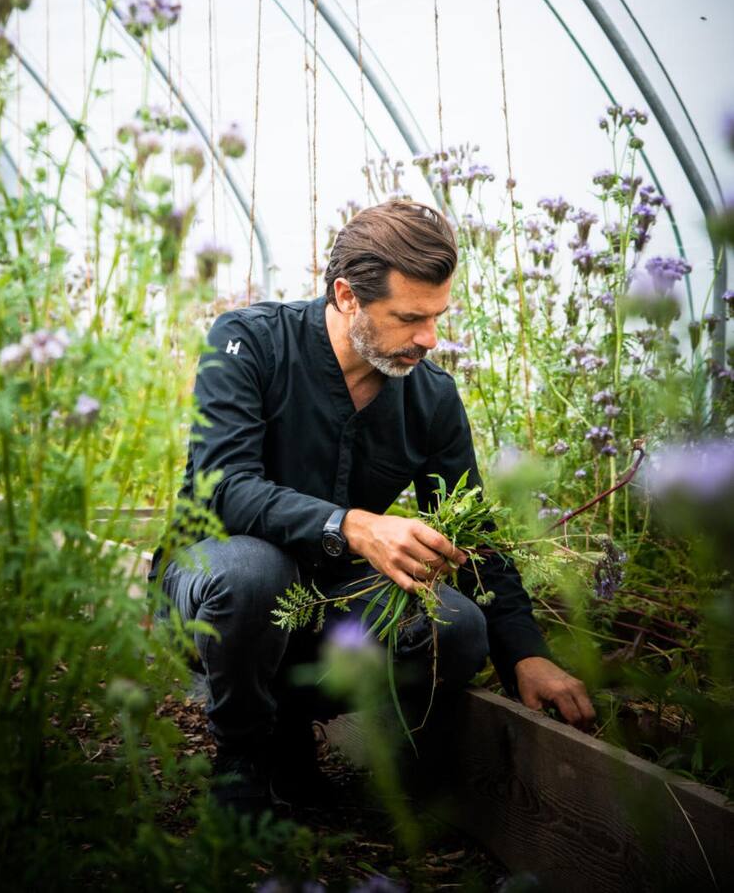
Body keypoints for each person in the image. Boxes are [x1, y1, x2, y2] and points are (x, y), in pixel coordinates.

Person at [158, 200, 595, 813]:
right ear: (346, 297)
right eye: (410, 317)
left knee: (458, 625)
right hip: (213, 585)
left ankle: (296, 726)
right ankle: (242, 758)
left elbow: (475, 535)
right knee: (256, 573)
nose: (429, 338)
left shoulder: (431, 398)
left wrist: (525, 652)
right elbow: (223, 487)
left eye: (438, 316)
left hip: (329, 601)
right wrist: (352, 525)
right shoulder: (251, 344)